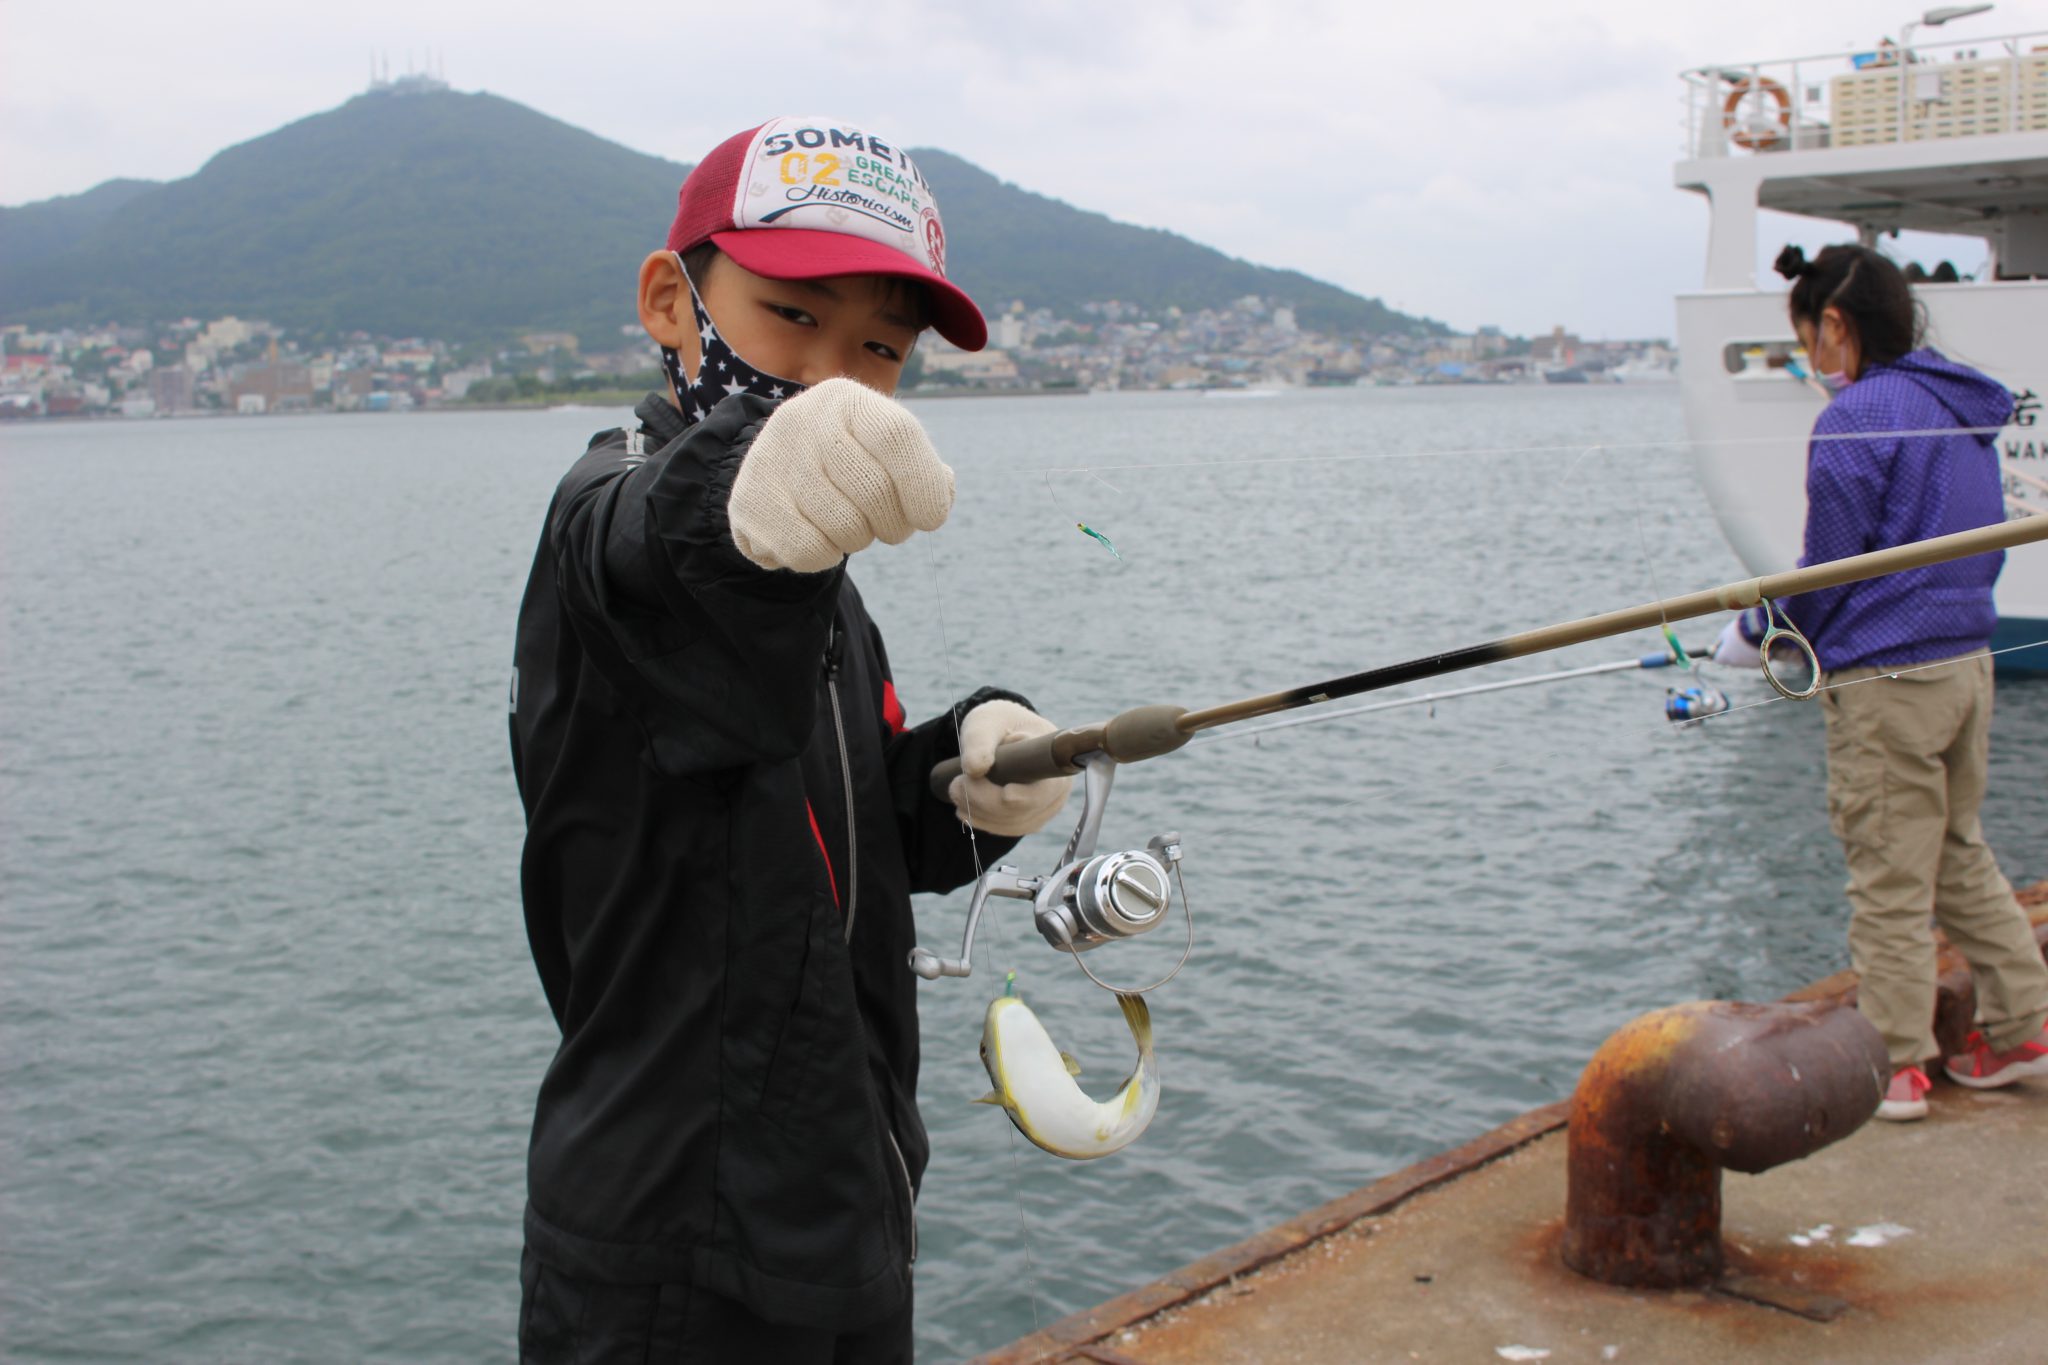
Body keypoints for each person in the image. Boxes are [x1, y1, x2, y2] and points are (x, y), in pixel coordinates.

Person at [508, 116, 1076, 1361]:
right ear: (672, 302)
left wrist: (964, 776)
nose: (830, 377)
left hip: (846, 1207)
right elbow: (665, 555)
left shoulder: (820, 578)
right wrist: (741, 500)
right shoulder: (607, 513)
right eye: (789, 316)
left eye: (876, 347)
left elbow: (835, 817)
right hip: (673, 1255)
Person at [1714, 243, 2048, 1123]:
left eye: (1808, 343)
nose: (1811, 365)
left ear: (1835, 324)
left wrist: (1760, 629)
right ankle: (2023, 1025)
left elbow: (1830, 564)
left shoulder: (1858, 415)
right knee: (1955, 854)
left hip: (1890, 681)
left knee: (1889, 876)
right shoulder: (1959, 404)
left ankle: (1897, 1066)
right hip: (1967, 665)